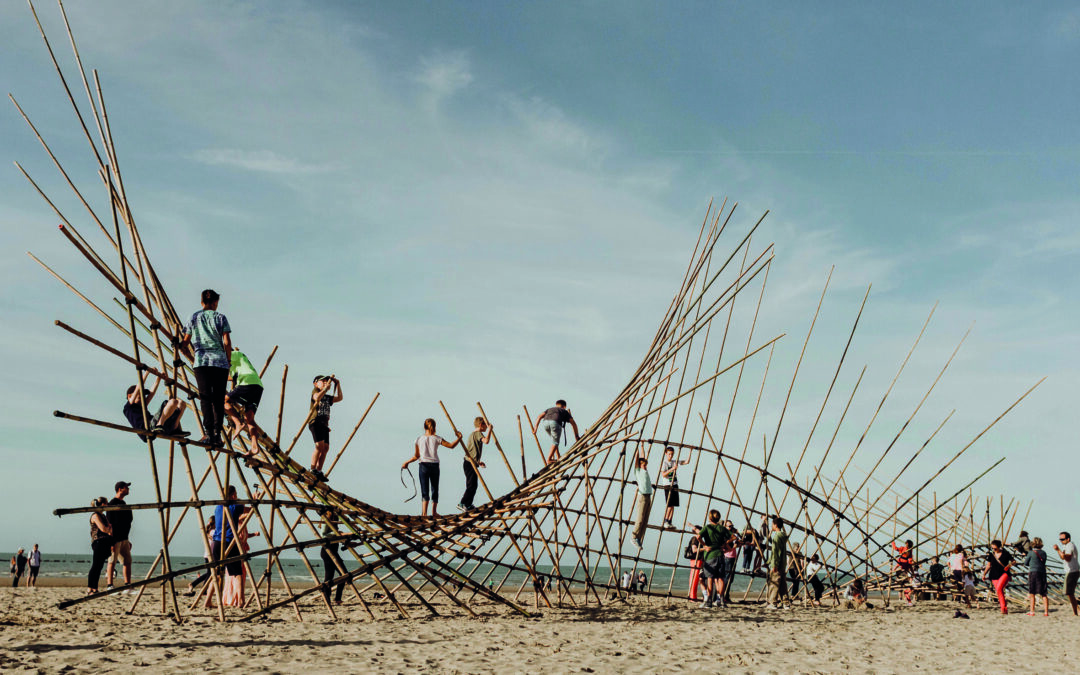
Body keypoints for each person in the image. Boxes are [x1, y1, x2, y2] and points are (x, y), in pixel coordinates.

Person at [179, 289, 232, 446]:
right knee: (218, 399)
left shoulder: (194, 317)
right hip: (220, 363)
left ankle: (209, 433)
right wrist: (228, 360)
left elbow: (185, 341)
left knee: (206, 397)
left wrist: (180, 346)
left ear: (202, 302)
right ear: (215, 302)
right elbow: (227, 342)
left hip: (202, 362)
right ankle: (217, 433)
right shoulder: (221, 318)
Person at [402, 419, 462, 517]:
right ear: (434, 426)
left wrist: (406, 462)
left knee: (425, 490)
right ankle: (434, 512)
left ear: (424, 427)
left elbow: (416, 456)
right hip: (434, 465)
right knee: (435, 488)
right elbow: (451, 446)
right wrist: (459, 438)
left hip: (423, 465)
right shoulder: (437, 438)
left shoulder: (418, 439)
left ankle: (424, 514)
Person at [224, 348, 264, 458]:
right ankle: (255, 447)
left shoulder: (234, 354)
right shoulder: (239, 365)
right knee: (249, 419)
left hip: (247, 383)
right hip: (257, 386)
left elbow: (220, 364)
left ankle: (237, 422)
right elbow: (228, 377)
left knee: (223, 401)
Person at [123, 375, 188, 441]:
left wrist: (158, 379)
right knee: (173, 402)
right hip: (147, 429)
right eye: (139, 397)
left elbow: (152, 393)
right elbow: (138, 386)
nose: (142, 399)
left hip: (157, 426)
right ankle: (159, 425)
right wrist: (146, 373)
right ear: (130, 396)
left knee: (181, 403)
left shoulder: (141, 406)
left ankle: (174, 428)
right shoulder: (128, 407)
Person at [211, 485, 249, 593]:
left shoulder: (218, 507)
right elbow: (251, 510)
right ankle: (240, 601)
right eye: (236, 494)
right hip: (229, 542)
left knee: (217, 574)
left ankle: (209, 600)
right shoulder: (234, 507)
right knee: (237, 573)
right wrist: (255, 500)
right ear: (233, 495)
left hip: (216, 542)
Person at [308, 375, 343, 480]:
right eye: (322, 381)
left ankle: (319, 470)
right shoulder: (315, 392)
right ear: (315, 383)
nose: (324, 383)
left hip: (324, 424)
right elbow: (317, 398)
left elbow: (340, 398)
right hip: (315, 422)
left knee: (325, 448)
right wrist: (324, 389)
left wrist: (338, 385)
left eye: (326, 381)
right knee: (319, 446)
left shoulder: (327, 397)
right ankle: (312, 468)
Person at [459, 417, 493, 511]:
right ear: (481, 425)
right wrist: (490, 430)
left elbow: (471, 451)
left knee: (473, 484)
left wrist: (478, 462)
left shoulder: (472, 435)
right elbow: (486, 441)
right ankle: (463, 503)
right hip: (469, 463)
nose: (486, 427)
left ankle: (468, 504)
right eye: (485, 425)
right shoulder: (478, 434)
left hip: (470, 462)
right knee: (472, 485)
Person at [698, 509, 729, 608]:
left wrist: (705, 546)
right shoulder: (722, 528)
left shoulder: (707, 527)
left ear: (710, 517)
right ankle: (721, 600)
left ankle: (709, 600)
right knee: (721, 578)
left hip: (710, 556)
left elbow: (698, 537)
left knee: (710, 578)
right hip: (720, 555)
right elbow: (733, 537)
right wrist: (724, 544)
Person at [532, 400, 580, 465]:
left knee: (554, 441)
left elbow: (539, 416)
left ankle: (557, 456)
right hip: (555, 423)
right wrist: (576, 436)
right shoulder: (564, 411)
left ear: (556, 404)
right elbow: (573, 423)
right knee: (555, 442)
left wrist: (535, 428)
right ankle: (549, 459)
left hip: (545, 423)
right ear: (564, 406)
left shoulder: (550, 409)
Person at [105, 481, 133, 591]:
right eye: (126, 487)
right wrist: (111, 540)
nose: (128, 489)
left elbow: (128, 523)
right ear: (120, 489)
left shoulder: (124, 504)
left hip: (124, 538)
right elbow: (109, 523)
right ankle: (109, 585)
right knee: (112, 561)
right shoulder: (112, 504)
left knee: (127, 561)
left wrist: (128, 539)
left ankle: (128, 585)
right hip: (115, 538)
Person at [657, 447, 690, 529]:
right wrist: (672, 469)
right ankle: (666, 521)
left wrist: (690, 451)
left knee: (673, 505)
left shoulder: (674, 462)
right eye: (669, 454)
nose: (670, 456)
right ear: (666, 454)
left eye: (672, 454)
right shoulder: (664, 463)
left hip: (675, 484)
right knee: (669, 504)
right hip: (668, 485)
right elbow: (663, 474)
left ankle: (670, 521)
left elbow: (686, 462)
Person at [87, 497, 113, 595]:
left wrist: (109, 529)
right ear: (102, 504)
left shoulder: (103, 516)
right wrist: (108, 529)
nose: (107, 505)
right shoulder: (95, 515)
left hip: (104, 542)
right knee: (96, 565)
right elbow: (104, 529)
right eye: (106, 503)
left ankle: (95, 587)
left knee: (99, 566)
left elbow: (109, 528)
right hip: (98, 542)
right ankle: (90, 587)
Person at [320, 512, 346, 605]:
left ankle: (337, 598)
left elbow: (335, 537)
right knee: (330, 577)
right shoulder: (326, 519)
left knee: (343, 574)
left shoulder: (335, 519)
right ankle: (328, 599)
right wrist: (336, 533)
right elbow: (323, 535)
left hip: (334, 551)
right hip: (327, 551)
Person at [185, 516, 216, 596]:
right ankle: (204, 589)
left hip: (207, 554)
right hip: (211, 555)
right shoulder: (213, 532)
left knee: (210, 573)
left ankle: (194, 584)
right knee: (211, 573)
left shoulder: (208, 532)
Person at [982, 539, 1014, 614]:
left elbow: (1013, 561)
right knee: (999, 591)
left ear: (999, 547)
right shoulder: (991, 555)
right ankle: (1004, 606)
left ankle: (1003, 608)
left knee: (999, 589)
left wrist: (1009, 565)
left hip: (1004, 573)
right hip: (994, 574)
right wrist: (984, 574)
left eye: (995, 548)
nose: (993, 550)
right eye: (992, 548)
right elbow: (988, 565)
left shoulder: (1006, 553)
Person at [1053, 531, 1079, 616]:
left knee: (1069, 592)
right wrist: (1059, 551)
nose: (1061, 541)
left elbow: (1067, 558)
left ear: (1068, 539)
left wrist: (1058, 550)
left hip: (1072, 571)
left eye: (1063, 539)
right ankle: (1076, 609)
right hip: (1071, 570)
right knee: (1069, 592)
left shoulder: (1069, 545)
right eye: (1060, 539)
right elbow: (1062, 557)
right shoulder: (1066, 546)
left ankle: (1076, 611)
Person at [765, 517, 789, 609]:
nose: (772, 527)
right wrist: (768, 562)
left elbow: (775, 552)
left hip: (777, 564)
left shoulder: (777, 536)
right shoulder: (783, 536)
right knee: (783, 585)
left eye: (772, 525)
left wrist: (774, 564)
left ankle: (773, 603)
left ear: (775, 525)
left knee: (774, 584)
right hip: (782, 564)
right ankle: (786, 603)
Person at [631, 453, 653, 549]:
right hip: (642, 496)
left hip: (648, 496)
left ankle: (639, 538)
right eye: (643, 465)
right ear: (639, 465)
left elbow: (644, 457)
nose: (645, 466)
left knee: (645, 520)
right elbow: (637, 460)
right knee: (640, 519)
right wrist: (637, 452)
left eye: (646, 465)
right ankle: (634, 536)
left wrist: (643, 446)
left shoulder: (645, 471)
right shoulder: (638, 471)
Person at [1024, 537, 1049, 617]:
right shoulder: (1044, 553)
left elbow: (1026, 563)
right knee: (1044, 593)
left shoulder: (1031, 553)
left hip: (1033, 572)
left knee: (1032, 593)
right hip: (1042, 572)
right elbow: (1043, 562)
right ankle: (1046, 612)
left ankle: (1032, 611)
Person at [685, 525, 706, 601]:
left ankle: (693, 596)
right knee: (694, 578)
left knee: (694, 577)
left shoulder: (698, 538)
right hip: (696, 559)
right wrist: (705, 548)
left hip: (697, 559)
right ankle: (692, 596)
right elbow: (694, 550)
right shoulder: (695, 538)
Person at [722, 519, 739, 603]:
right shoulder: (725, 534)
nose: (731, 527)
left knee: (730, 578)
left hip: (732, 557)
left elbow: (736, 543)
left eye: (732, 526)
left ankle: (726, 595)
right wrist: (732, 539)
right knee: (727, 577)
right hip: (727, 557)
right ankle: (723, 596)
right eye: (729, 526)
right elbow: (724, 544)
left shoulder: (732, 534)